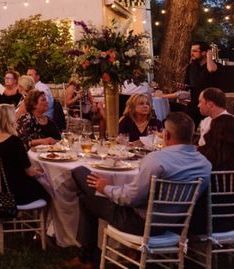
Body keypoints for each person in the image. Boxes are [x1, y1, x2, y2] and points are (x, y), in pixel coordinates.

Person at [69, 112, 211, 268]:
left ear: (167, 134)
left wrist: (106, 188)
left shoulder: (157, 160)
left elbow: (130, 199)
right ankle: (129, 253)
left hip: (140, 224)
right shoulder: (204, 164)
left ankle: (86, 257)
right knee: (90, 191)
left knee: (82, 181)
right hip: (174, 224)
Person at [0, 104, 51, 204]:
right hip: (15, 192)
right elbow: (30, 172)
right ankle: (50, 218)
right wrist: (42, 172)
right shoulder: (14, 141)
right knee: (49, 190)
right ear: (10, 120)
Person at [184, 41, 218, 125]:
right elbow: (187, 85)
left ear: (204, 53)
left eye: (195, 51)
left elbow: (211, 70)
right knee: (186, 129)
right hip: (194, 105)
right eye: (191, 51)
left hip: (210, 105)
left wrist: (209, 56)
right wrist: (183, 86)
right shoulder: (190, 67)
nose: (191, 53)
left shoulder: (213, 66)